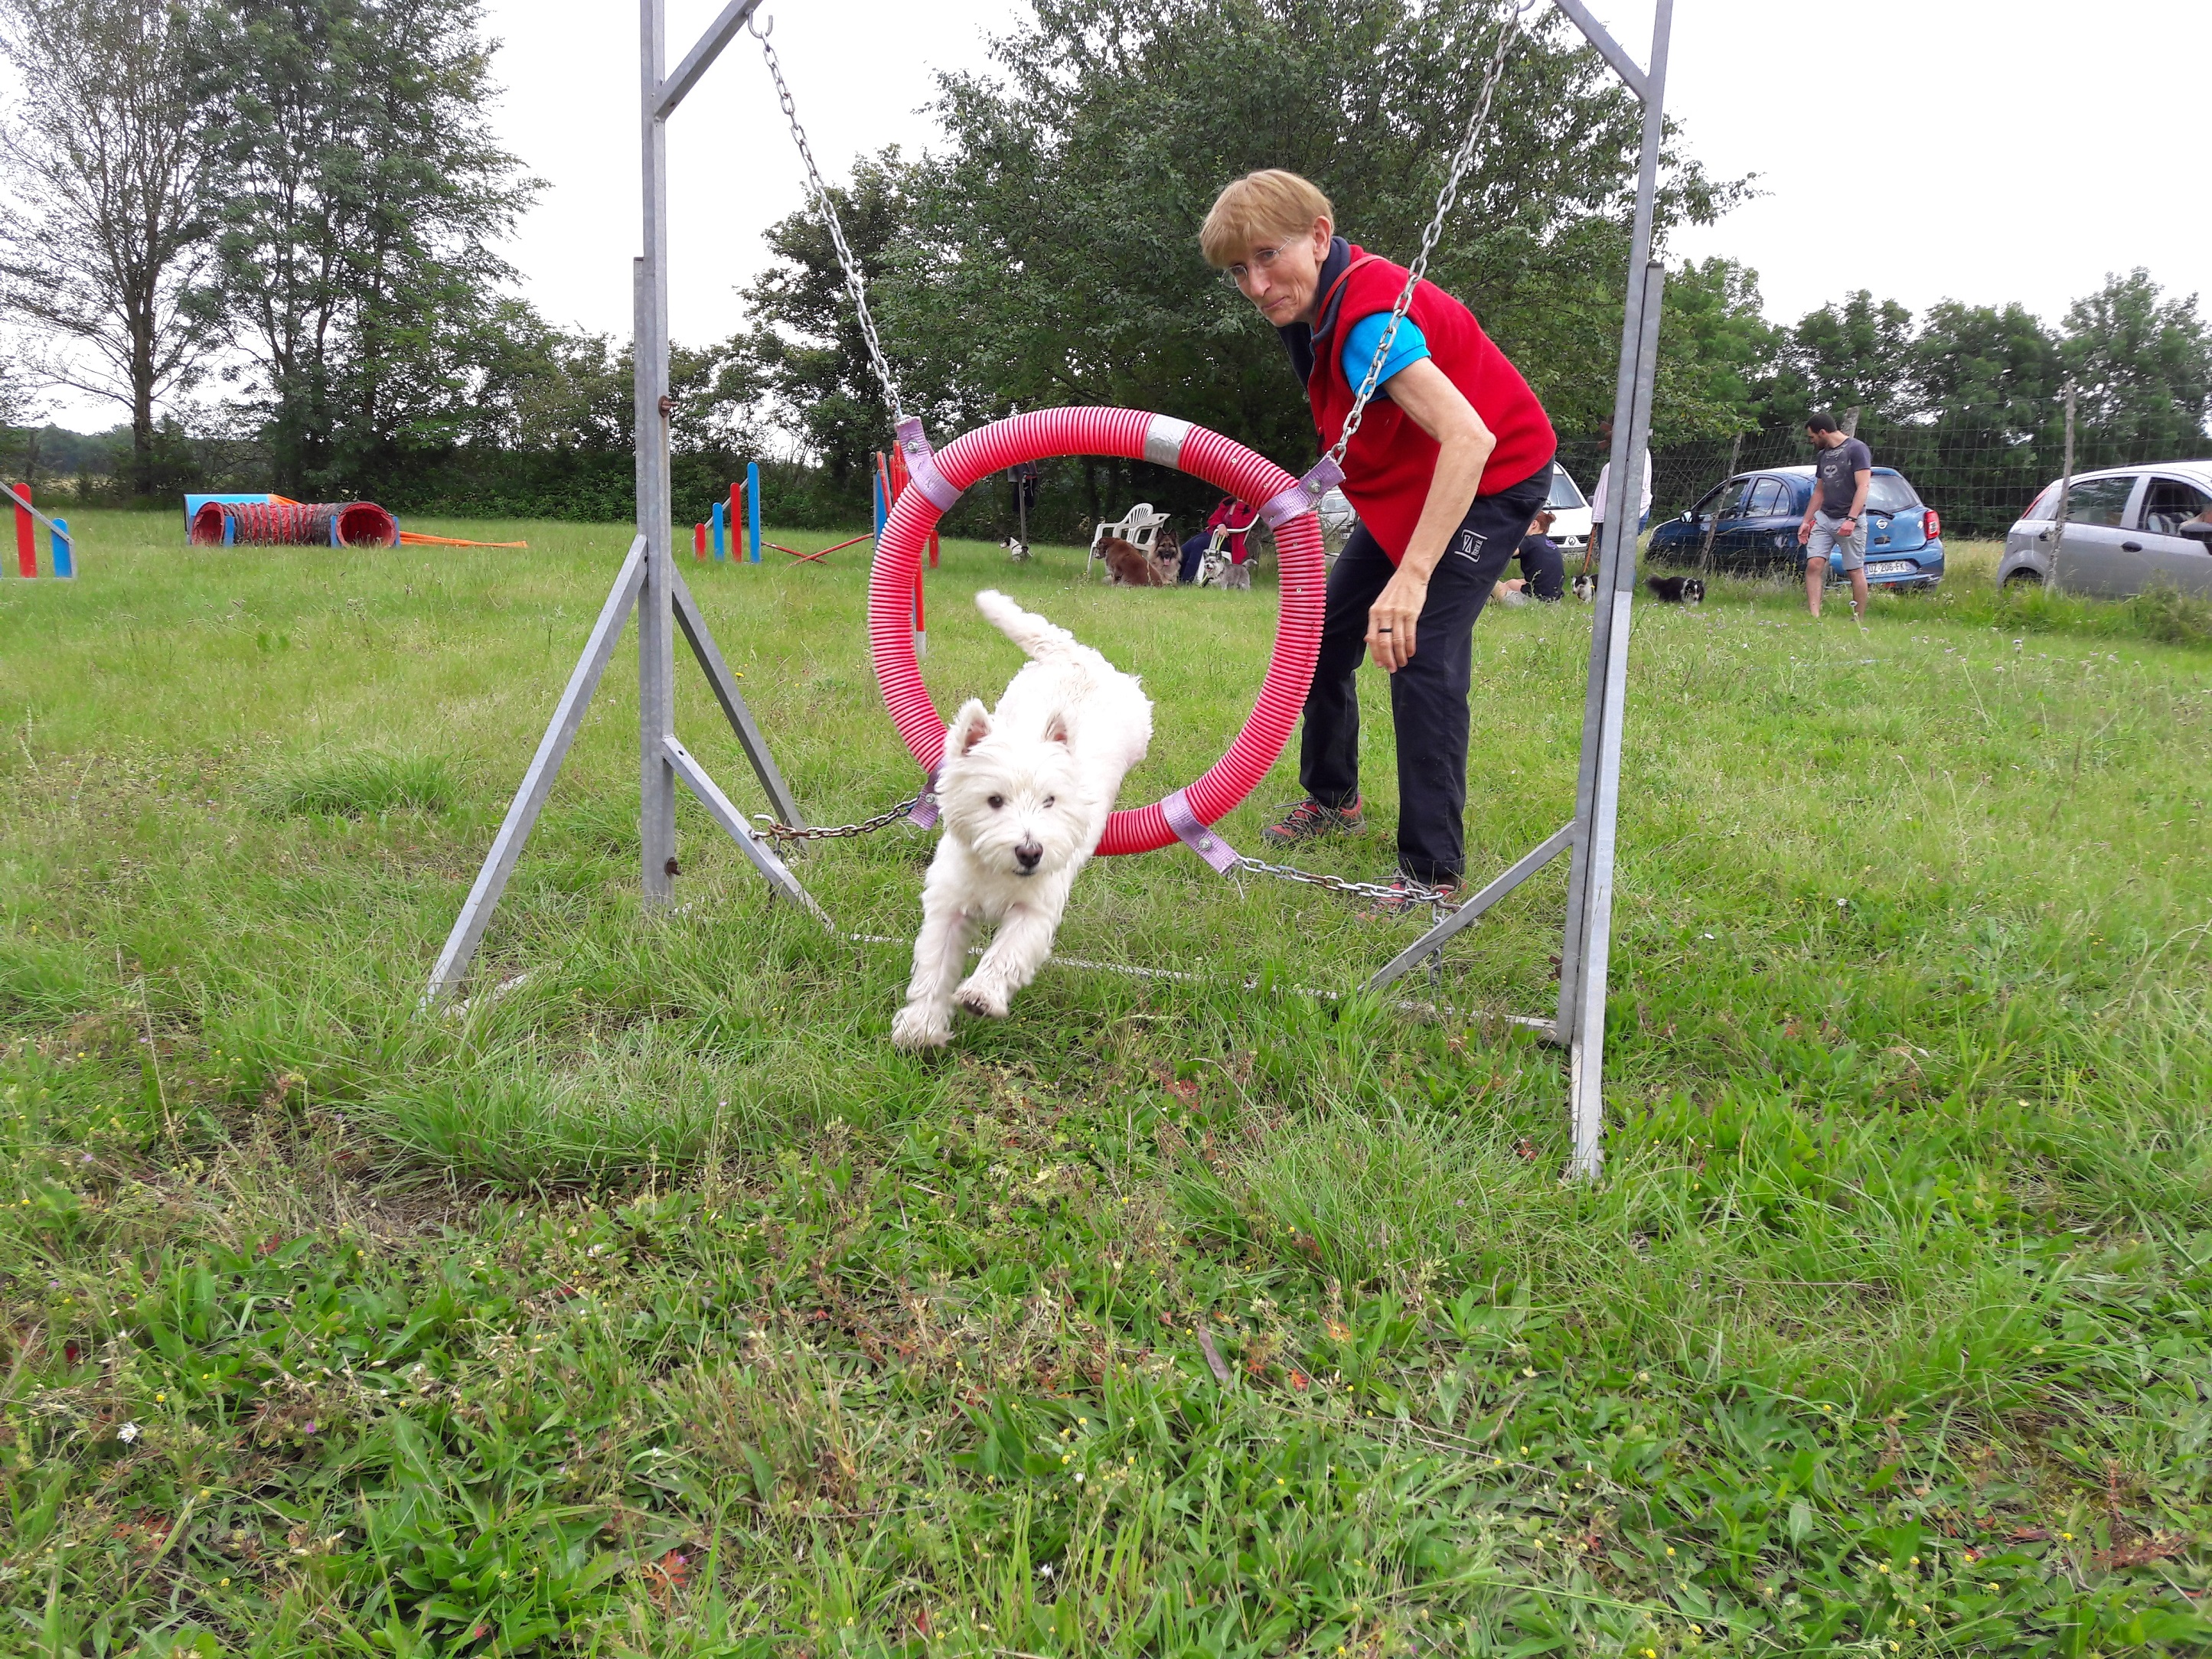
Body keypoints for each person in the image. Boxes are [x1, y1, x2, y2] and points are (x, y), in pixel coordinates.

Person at [1200, 169, 1556, 908]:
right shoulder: (1314, 307)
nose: (1257, 284)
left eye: (1269, 256)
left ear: (1321, 236)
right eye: (1239, 270)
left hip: (1492, 478)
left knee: (1415, 648)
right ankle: (1333, 799)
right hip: (1421, 484)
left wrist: (1414, 574)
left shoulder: (1366, 322)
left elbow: (1469, 437)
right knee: (1326, 634)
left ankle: (1431, 875)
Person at [1796, 412, 1872, 618]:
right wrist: (1806, 521)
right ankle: (1814, 616)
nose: (1811, 442)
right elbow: (1819, 491)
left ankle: (1858, 619)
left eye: (1812, 437)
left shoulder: (1857, 449)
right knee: (1814, 564)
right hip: (1825, 518)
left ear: (1822, 432)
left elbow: (1863, 486)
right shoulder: (1823, 455)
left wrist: (1851, 519)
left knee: (1854, 570)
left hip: (1849, 520)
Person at [1588, 416, 1651, 556]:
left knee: (1620, 558)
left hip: (1628, 514)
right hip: (1613, 514)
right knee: (1612, 557)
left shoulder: (1639, 453)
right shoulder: (1619, 457)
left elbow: (1636, 488)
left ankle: (1623, 578)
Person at [1178, 494, 1256, 583]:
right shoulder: (1228, 502)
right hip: (1213, 534)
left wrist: (1240, 505)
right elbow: (1213, 518)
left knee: (1198, 543)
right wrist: (1221, 525)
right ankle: (1177, 578)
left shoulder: (1251, 508)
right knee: (1183, 550)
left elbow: (1238, 525)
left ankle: (1186, 580)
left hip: (1230, 541)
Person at [1514, 510, 1564, 601]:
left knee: (1492, 583)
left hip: (1535, 599)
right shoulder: (1549, 543)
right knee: (1512, 582)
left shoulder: (1530, 541)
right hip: (1554, 599)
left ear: (1534, 524)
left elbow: (1507, 553)